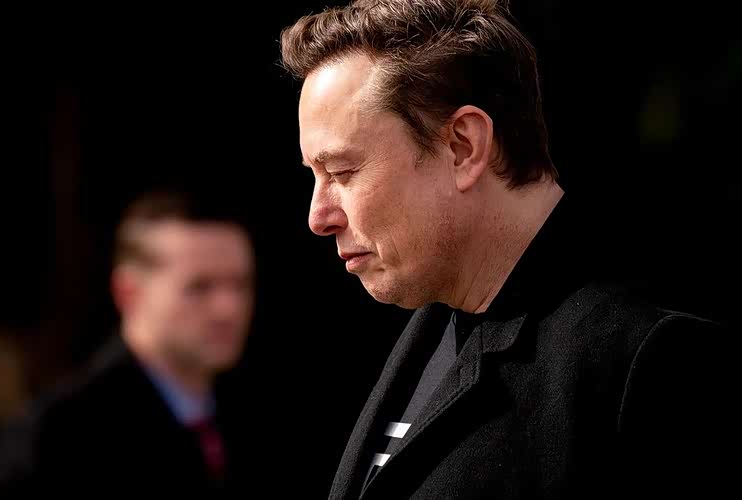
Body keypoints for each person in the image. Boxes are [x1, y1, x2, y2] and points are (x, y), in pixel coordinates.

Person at [280, 1, 733, 498]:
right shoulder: (429, 325)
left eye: (342, 172)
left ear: (464, 146)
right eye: (315, 175)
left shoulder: (651, 360)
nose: (318, 217)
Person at [0, 190, 256, 499]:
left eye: (240, 284)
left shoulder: (252, 411)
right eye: (199, 287)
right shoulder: (59, 436)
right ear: (128, 293)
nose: (228, 309)